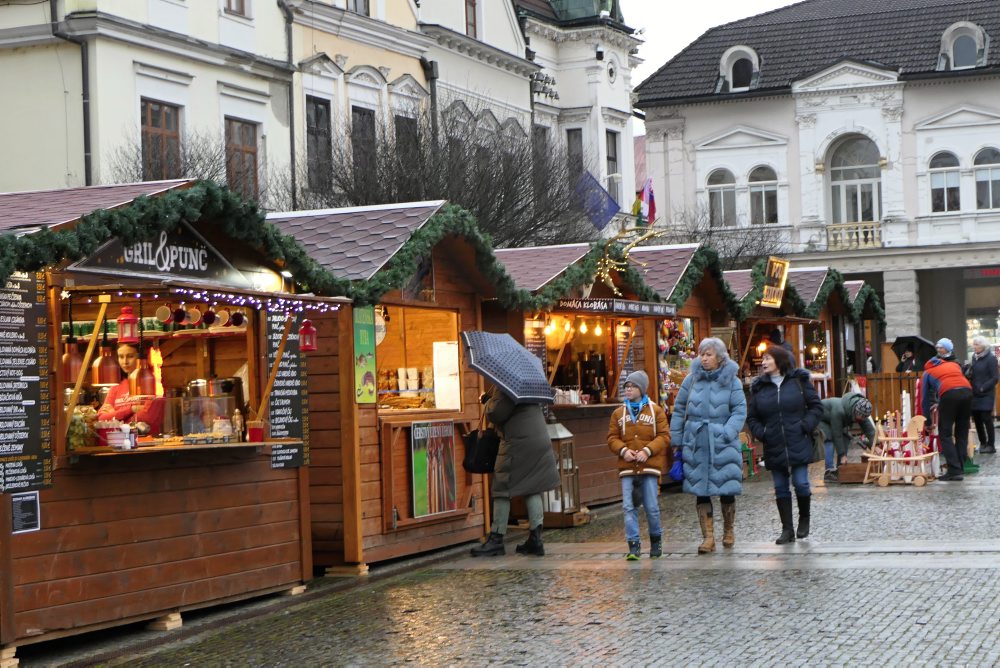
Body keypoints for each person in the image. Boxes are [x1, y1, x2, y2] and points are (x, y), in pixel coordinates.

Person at [670, 338, 747, 553]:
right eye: (702, 354)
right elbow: (679, 410)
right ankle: (708, 537)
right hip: (696, 442)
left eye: (709, 354)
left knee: (726, 487)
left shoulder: (732, 381)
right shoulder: (691, 380)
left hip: (722, 440)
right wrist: (677, 440)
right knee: (701, 490)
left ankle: (729, 530)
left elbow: (739, 410)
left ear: (720, 357)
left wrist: (727, 432)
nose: (704, 358)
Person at [470, 386, 559, 557]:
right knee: (533, 487)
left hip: (518, 442)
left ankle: (496, 539)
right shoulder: (526, 383)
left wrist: (486, 401)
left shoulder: (505, 386)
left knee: (501, 488)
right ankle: (536, 539)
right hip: (538, 438)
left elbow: (496, 413)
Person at [747, 345, 822, 545]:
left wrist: (805, 425)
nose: (763, 363)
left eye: (767, 359)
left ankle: (804, 519)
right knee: (780, 487)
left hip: (797, 439)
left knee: (801, 483)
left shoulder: (798, 381)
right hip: (774, 444)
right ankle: (787, 529)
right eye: (763, 359)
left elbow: (816, 407)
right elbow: (752, 417)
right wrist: (762, 433)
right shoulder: (759, 388)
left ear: (779, 361)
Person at [607, 370, 669, 560]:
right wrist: (623, 450)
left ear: (641, 389)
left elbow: (664, 436)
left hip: (649, 466)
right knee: (628, 506)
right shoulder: (618, 413)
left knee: (651, 506)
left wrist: (647, 451)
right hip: (627, 467)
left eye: (632, 386)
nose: (629, 390)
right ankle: (633, 545)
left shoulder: (655, 411)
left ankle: (656, 542)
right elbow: (612, 438)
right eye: (626, 387)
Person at [921, 338, 973, 481]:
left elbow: (925, 400)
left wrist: (928, 422)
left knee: (945, 434)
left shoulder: (928, 372)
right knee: (962, 433)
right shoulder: (953, 365)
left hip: (949, 395)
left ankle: (954, 470)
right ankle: (960, 467)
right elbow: (957, 383)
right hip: (968, 392)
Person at [97, 342, 164, 434]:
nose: (125, 361)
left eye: (130, 356)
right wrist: (131, 409)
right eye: (121, 357)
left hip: (147, 442)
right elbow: (101, 418)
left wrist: (115, 416)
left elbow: (146, 419)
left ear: (140, 357)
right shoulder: (116, 387)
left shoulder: (152, 383)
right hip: (120, 442)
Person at [818, 392, 875, 481]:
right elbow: (837, 434)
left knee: (846, 438)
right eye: (861, 417)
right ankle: (829, 471)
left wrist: (876, 445)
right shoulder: (839, 411)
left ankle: (839, 469)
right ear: (856, 411)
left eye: (865, 417)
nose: (862, 419)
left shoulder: (861, 411)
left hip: (835, 421)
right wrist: (842, 455)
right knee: (829, 438)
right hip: (821, 419)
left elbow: (870, 430)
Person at [968, 336, 999, 454]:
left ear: (983, 346)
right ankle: (983, 443)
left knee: (986, 418)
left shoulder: (991, 358)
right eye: (974, 344)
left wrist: (983, 387)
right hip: (974, 393)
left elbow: (995, 377)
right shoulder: (974, 358)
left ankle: (991, 445)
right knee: (977, 419)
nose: (974, 346)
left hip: (986, 393)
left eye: (976, 344)